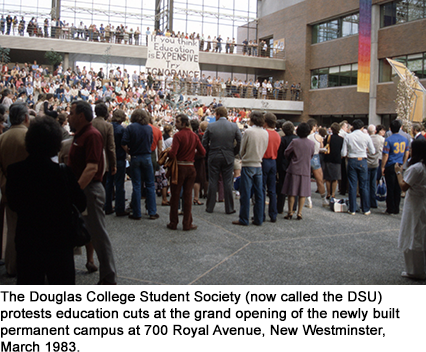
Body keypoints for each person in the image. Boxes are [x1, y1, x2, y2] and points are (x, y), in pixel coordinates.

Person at [6, 117, 86, 284]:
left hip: (28, 239)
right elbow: (81, 203)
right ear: (55, 143)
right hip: (59, 241)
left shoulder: (15, 171)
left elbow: (13, 204)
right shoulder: (63, 172)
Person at [67, 100, 117, 285]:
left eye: (71, 113)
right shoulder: (80, 134)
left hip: (89, 189)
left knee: (99, 235)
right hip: (83, 188)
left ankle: (108, 277)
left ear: (81, 116)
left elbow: (91, 168)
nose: (69, 116)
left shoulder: (92, 135)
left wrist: (75, 190)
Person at [0, 103, 30, 277]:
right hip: (28, 188)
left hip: (9, 188)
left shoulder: (2, 138)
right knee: (29, 228)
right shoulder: (29, 136)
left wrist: (4, 185)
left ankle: (11, 265)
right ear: (26, 117)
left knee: (12, 228)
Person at [167, 114, 206, 231]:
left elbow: (173, 154)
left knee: (175, 196)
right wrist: (192, 155)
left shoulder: (178, 135)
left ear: (183, 123)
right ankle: (187, 223)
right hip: (191, 167)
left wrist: (169, 153)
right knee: (188, 196)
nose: (176, 124)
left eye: (177, 122)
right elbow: (203, 152)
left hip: (179, 168)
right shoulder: (194, 136)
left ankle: (173, 222)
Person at [396, 139, 426, 279]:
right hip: (422, 202)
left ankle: (415, 270)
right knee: (421, 232)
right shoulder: (423, 167)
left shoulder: (416, 168)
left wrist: (398, 172)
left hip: (414, 204)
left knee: (412, 233)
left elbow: (404, 186)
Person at [121, 109, 159, 220]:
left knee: (137, 185)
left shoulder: (130, 128)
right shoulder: (148, 128)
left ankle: (136, 213)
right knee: (150, 185)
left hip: (135, 156)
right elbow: (151, 141)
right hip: (147, 156)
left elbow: (123, 143)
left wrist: (129, 151)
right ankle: (152, 212)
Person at [202, 106, 242, 214]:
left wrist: (209, 151)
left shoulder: (211, 126)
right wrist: (233, 152)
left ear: (218, 115)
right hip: (228, 156)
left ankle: (210, 207)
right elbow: (240, 141)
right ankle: (229, 208)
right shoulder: (234, 126)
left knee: (213, 181)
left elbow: (204, 143)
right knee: (228, 182)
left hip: (214, 156)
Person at [232, 111, 268, 226]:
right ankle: (258, 218)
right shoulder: (265, 133)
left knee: (246, 193)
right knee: (259, 194)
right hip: (258, 164)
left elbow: (242, 149)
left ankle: (244, 218)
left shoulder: (248, 131)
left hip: (248, 164)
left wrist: (244, 156)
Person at [341, 119, 375, 215]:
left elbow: (343, 152)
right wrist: (365, 150)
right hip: (363, 160)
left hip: (351, 160)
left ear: (352, 127)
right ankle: (366, 209)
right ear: (362, 127)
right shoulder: (366, 136)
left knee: (352, 185)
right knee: (364, 185)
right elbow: (373, 151)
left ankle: (352, 209)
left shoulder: (348, 136)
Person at [282, 122, 314, 220]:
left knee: (292, 192)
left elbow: (286, 153)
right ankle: (299, 212)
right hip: (305, 168)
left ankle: (290, 211)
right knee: (302, 192)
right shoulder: (311, 143)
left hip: (294, 168)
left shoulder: (295, 142)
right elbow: (311, 155)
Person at [104, 109, 129, 217]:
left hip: (108, 158)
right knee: (119, 184)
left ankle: (107, 206)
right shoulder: (121, 129)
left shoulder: (107, 127)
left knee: (109, 183)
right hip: (119, 157)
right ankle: (120, 208)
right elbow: (124, 143)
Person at [382, 119, 409, 215]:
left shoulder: (388, 140)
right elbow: (407, 153)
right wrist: (403, 163)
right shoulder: (405, 139)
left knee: (390, 187)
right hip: (399, 164)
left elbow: (386, 155)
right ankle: (396, 207)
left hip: (390, 165)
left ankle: (390, 207)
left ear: (390, 129)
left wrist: (382, 166)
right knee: (398, 187)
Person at [262, 113, 281, 222]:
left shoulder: (265, 134)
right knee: (272, 190)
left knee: (262, 188)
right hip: (273, 161)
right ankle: (273, 214)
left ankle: (261, 214)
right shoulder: (277, 135)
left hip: (264, 160)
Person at [277, 121, 298, 214]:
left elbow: (279, 155)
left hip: (284, 165)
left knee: (281, 186)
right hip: (295, 165)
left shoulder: (283, 140)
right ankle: (293, 207)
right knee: (294, 187)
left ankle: (280, 207)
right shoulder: (297, 139)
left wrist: (277, 167)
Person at [306, 119, 328, 208]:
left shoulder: (305, 136)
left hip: (307, 158)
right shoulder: (318, 136)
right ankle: (324, 200)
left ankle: (309, 201)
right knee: (319, 180)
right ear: (314, 126)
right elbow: (321, 147)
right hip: (315, 157)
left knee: (306, 179)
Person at [323, 122, 344, 200]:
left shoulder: (328, 137)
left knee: (328, 177)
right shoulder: (341, 139)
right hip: (337, 159)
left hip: (328, 158)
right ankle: (333, 194)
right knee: (335, 178)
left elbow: (325, 146)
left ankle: (328, 193)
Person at [367, 124, 384, 209]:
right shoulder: (380, 139)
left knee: (366, 183)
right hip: (376, 162)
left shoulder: (367, 139)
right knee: (373, 183)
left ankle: (367, 202)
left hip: (367, 163)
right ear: (375, 131)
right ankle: (374, 202)